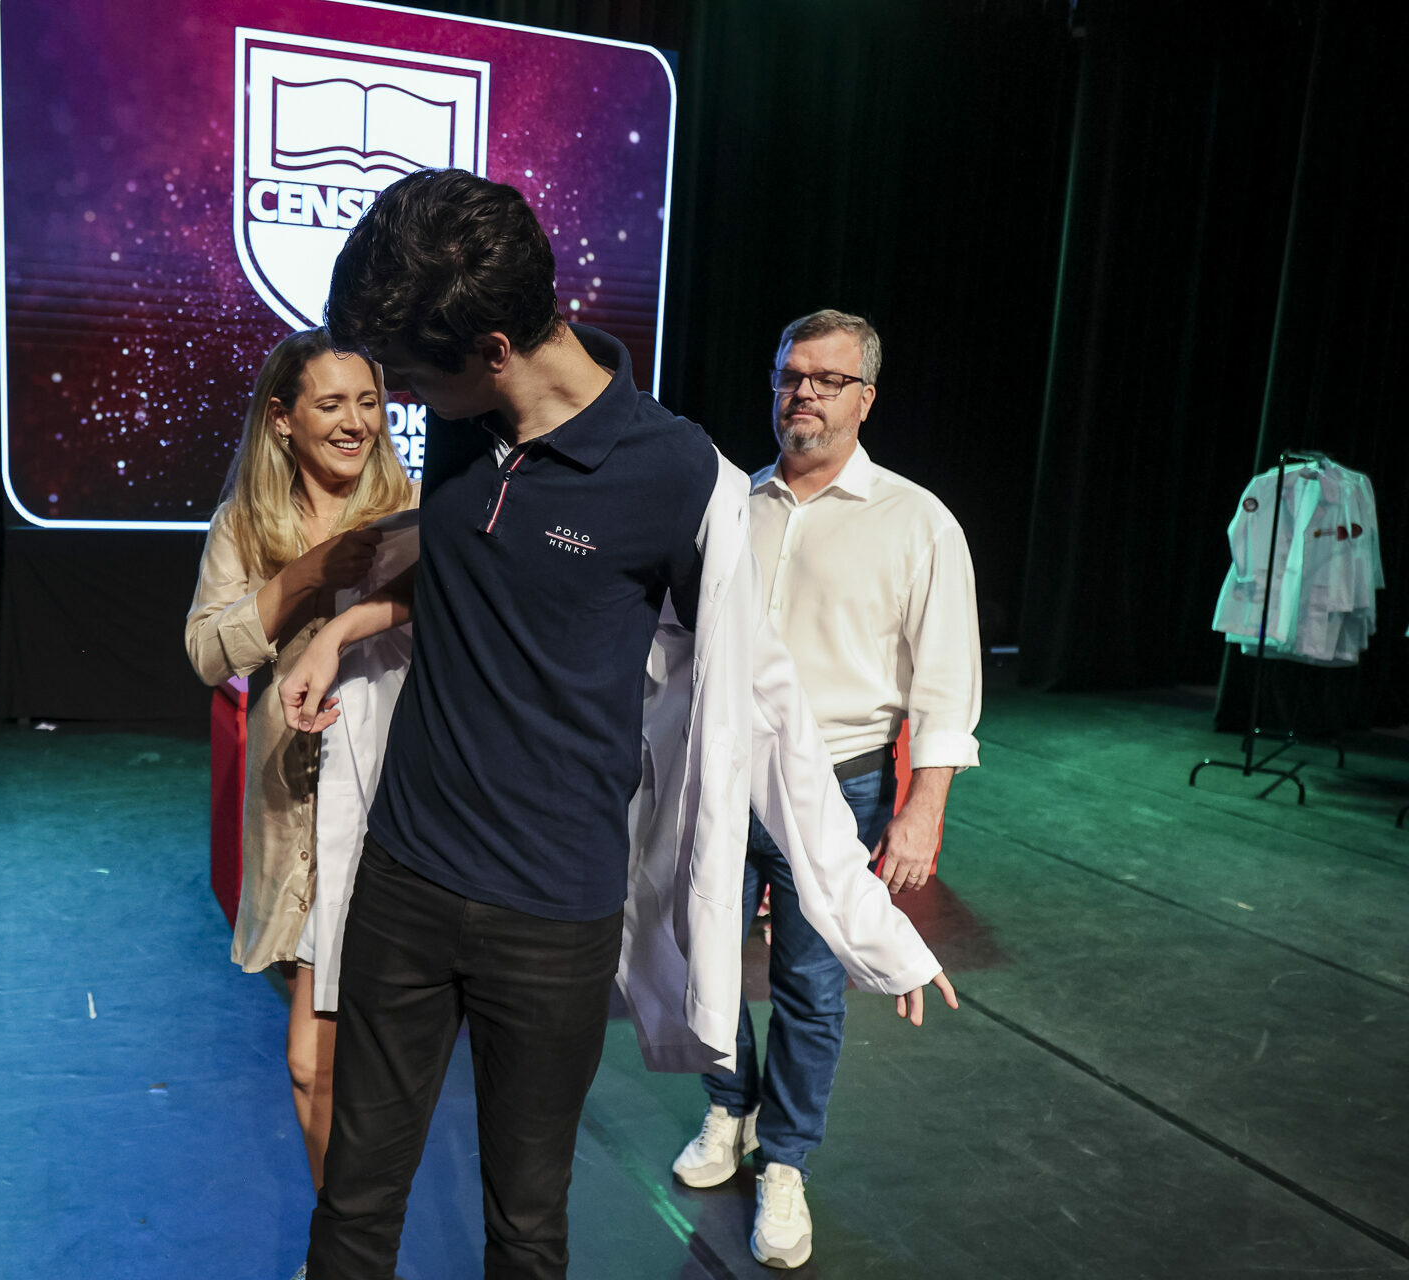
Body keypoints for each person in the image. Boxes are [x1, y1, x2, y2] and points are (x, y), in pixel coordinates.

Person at [276, 170, 958, 1280]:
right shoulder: (465, 425)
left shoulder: (679, 475)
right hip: (403, 880)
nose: (400, 398)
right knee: (353, 1207)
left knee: (526, 1228)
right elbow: (469, 569)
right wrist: (345, 625)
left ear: (496, 347)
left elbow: (763, 701)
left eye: (411, 375)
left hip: (550, 918)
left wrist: (865, 916)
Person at [669, 309, 982, 1269]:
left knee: (808, 984)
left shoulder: (917, 521)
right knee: (701, 958)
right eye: (790, 375)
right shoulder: (732, 505)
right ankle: (730, 1109)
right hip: (722, 775)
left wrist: (923, 808)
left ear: (866, 398)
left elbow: (946, 682)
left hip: (840, 787)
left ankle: (787, 1163)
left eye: (827, 379)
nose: (803, 393)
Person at [183, 328, 415, 1215]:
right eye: (331, 404)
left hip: (392, 816)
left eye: (369, 402)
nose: (356, 422)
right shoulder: (247, 524)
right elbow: (208, 652)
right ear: (283, 419)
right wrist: (306, 576)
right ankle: (343, 1237)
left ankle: (351, 1242)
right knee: (315, 1063)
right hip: (294, 814)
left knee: (330, 1060)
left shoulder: (414, 509)